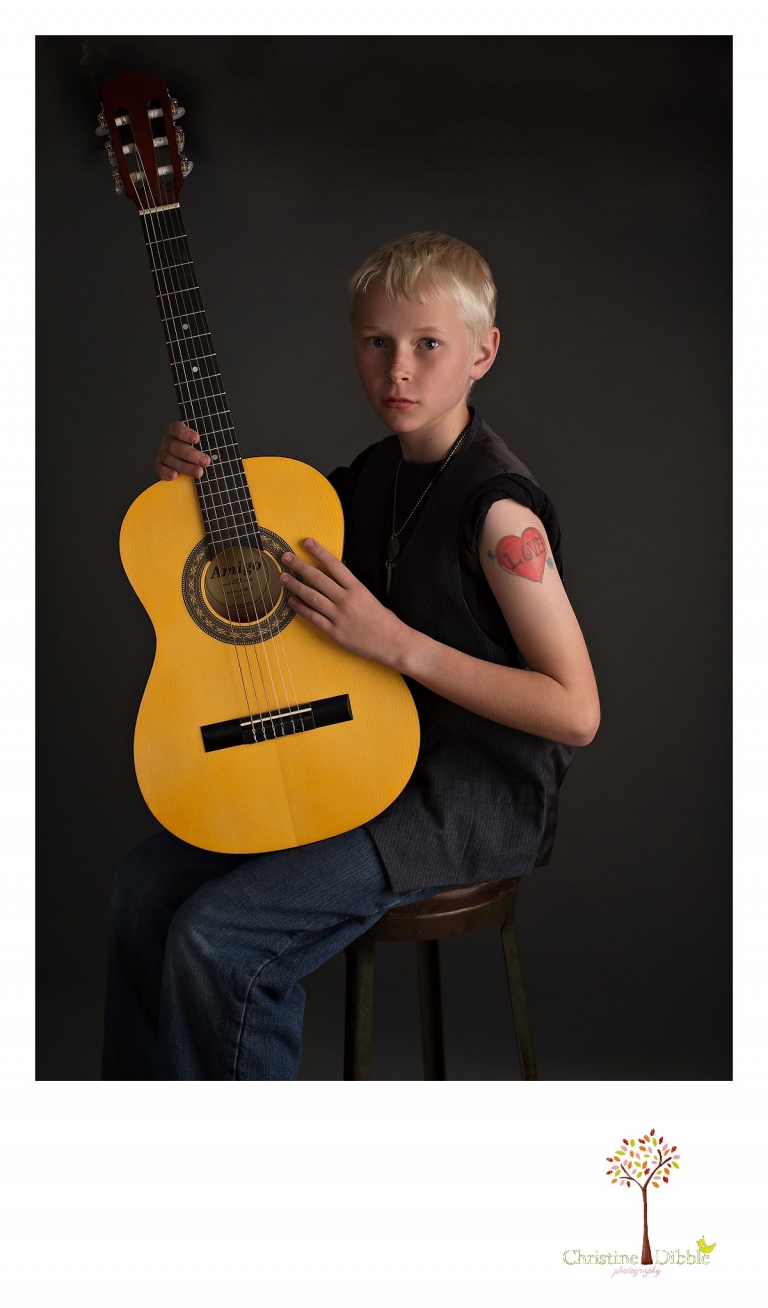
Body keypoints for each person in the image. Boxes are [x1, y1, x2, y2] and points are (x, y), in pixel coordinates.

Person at [101, 231, 599, 1080]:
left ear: (484, 353)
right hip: (364, 755)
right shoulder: (373, 477)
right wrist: (182, 486)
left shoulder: (501, 517)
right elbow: (262, 546)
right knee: (146, 886)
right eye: (377, 343)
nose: (398, 369)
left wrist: (399, 646)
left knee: (222, 937)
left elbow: (577, 712)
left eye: (428, 345)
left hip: (461, 797)